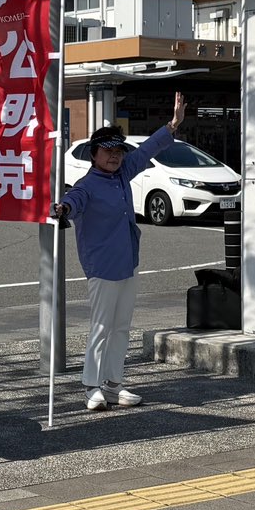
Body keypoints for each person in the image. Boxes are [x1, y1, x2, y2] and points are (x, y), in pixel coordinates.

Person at [56, 92, 189, 412]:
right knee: (102, 327)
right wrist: (63, 209)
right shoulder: (87, 184)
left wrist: (172, 125)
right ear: (94, 154)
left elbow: (146, 151)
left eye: (118, 151)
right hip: (102, 267)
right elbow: (74, 201)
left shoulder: (123, 172)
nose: (115, 156)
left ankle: (113, 384)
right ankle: (91, 386)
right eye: (108, 151)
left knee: (121, 327)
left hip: (128, 261)